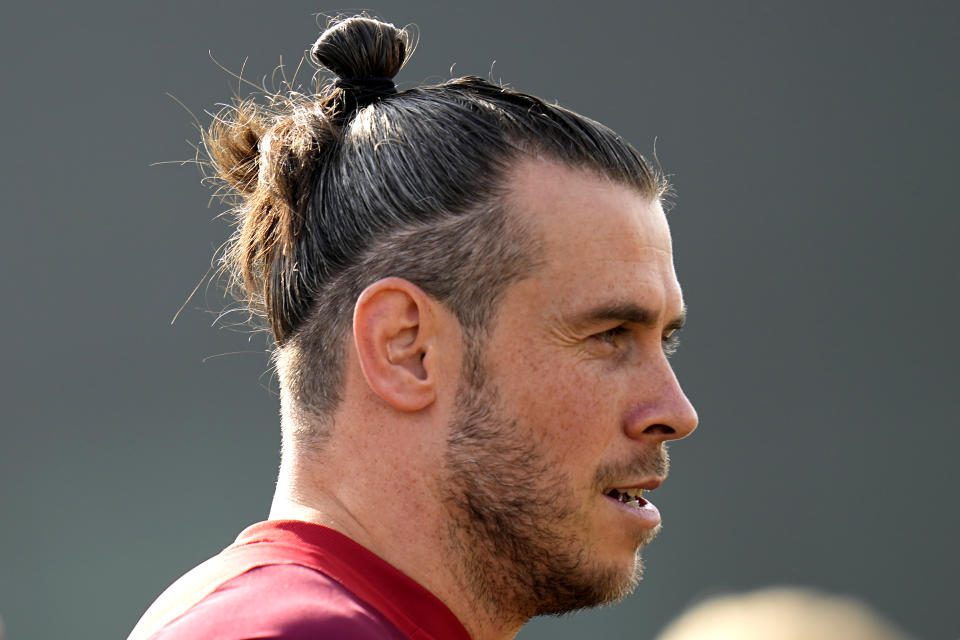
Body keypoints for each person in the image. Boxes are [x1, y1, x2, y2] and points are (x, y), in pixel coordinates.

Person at [129, 14, 698, 640]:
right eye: (610, 335)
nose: (674, 410)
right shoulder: (292, 630)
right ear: (405, 347)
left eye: (664, 340)